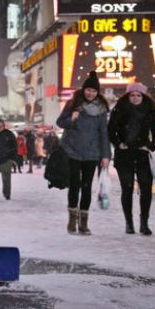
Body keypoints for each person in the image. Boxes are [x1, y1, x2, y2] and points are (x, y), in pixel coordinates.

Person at [56, 71, 111, 235]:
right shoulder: (73, 103)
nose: (91, 93)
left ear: (97, 92)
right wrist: (72, 119)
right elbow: (60, 122)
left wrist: (106, 155)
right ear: (84, 89)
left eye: (94, 91)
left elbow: (103, 133)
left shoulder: (101, 109)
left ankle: (84, 223)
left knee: (87, 188)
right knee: (74, 186)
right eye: (88, 90)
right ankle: (72, 220)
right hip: (73, 151)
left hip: (92, 153)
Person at [107, 83, 155, 235]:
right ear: (128, 96)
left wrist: (150, 146)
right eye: (132, 95)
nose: (135, 98)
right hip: (124, 156)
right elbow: (111, 131)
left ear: (143, 96)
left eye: (138, 95)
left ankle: (144, 223)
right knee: (127, 188)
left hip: (143, 155)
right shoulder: (119, 110)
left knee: (146, 189)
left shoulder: (149, 111)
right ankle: (129, 223)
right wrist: (119, 144)